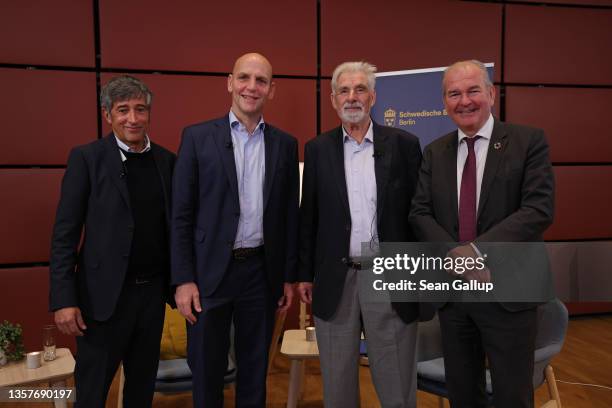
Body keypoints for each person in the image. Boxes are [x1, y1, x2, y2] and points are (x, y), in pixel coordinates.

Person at [410, 59, 555, 408]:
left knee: (512, 396)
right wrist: (458, 258)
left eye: (473, 90)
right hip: (456, 296)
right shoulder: (435, 151)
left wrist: (477, 251)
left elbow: (537, 210)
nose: (464, 101)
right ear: (444, 103)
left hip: (509, 294)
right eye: (454, 94)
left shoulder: (527, 141)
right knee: (463, 395)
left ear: (491, 94)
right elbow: (420, 212)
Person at [171, 52, 299, 407]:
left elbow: (289, 216)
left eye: (261, 81)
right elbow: (180, 214)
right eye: (244, 78)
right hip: (208, 274)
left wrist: (287, 276)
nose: (251, 87)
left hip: (260, 274)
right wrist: (183, 279)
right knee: (207, 372)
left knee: (256, 372)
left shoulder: (285, 145)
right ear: (230, 83)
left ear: (272, 90)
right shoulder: (197, 138)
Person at [298, 61, 422, 407]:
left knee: (397, 388)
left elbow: (418, 215)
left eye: (360, 89)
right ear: (333, 100)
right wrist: (304, 274)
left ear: (373, 97)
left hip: (389, 278)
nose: (352, 97)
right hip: (337, 280)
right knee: (337, 390)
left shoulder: (405, 145)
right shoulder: (318, 149)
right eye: (344, 90)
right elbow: (309, 216)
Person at [49, 75, 176, 407]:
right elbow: (65, 233)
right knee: (91, 392)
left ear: (149, 114)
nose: (132, 119)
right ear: (108, 115)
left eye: (140, 109)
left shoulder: (167, 161)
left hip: (152, 297)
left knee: (141, 391)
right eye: (123, 110)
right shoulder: (87, 159)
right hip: (102, 300)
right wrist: (64, 298)